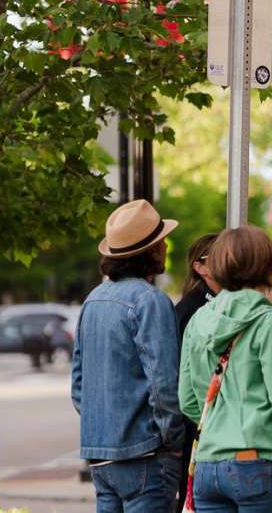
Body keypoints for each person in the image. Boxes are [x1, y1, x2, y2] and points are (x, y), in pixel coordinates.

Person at [179, 225, 272, 512]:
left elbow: (187, 399)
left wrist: (219, 425)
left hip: (208, 465)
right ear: (268, 265)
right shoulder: (271, 323)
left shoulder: (198, 321)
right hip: (261, 458)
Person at [71, 199, 185, 513]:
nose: (165, 247)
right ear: (151, 251)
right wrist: (173, 442)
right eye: (162, 242)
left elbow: (79, 387)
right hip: (144, 456)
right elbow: (164, 384)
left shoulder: (93, 300)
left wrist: (107, 426)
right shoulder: (150, 300)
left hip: (102, 455)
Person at [172, 232, 221, 512]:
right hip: (198, 430)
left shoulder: (232, 302)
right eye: (218, 255)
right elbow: (181, 383)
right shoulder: (190, 310)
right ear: (199, 267)